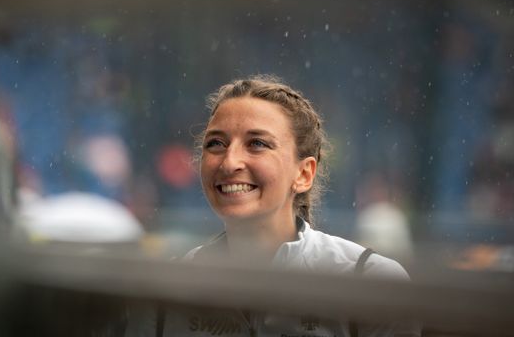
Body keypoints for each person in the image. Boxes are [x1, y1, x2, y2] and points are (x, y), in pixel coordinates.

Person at [125, 74, 420, 337]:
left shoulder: (369, 280)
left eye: (257, 144)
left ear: (304, 174)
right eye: (216, 144)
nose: (229, 162)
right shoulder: (163, 292)